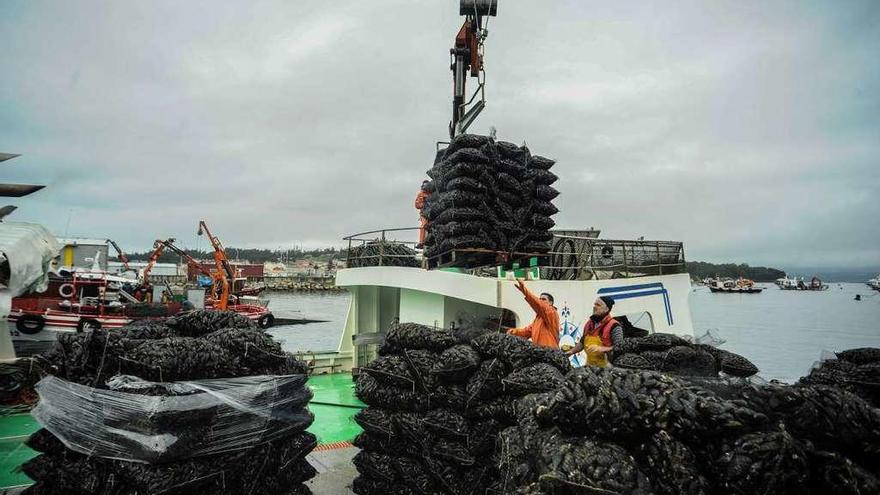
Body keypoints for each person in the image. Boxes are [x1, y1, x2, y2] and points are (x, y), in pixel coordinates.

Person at [566, 296, 623, 367]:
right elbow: (582, 342)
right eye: (594, 304)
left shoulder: (614, 325)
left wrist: (602, 349)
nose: (594, 307)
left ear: (607, 309)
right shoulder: (589, 323)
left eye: (598, 305)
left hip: (608, 368)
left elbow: (620, 347)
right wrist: (572, 351)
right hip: (590, 366)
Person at [506, 279, 560, 348]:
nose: (540, 301)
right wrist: (513, 332)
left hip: (550, 353)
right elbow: (526, 331)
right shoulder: (538, 319)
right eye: (540, 299)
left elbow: (538, 304)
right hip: (540, 353)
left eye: (543, 299)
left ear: (551, 303)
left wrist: (525, 291)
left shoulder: (552, 313)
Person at [414, 180, 430, 248]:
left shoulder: (432, 193)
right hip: (424, 213)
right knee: (424, 225)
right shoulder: (420, 194)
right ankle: (421, 242)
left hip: (432, 212)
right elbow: (417, 205)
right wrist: (424, 204)